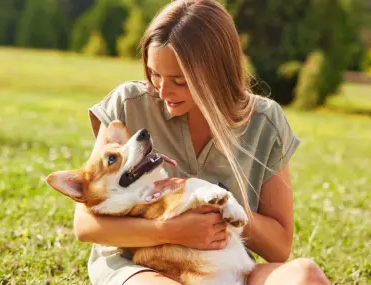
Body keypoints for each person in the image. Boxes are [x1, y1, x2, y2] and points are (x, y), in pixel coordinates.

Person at [73, 0, 331, 284]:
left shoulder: (264, 122)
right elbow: (85, 225)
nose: (162, 90)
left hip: (224, 270)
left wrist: (220, 206)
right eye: (154, 74)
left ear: (217, 72)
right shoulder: (128, 104)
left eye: (179, 81)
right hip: (141, 268)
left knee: (306, 276)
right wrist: (172, 230)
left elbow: (279, 247)